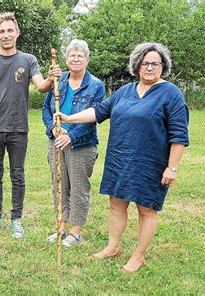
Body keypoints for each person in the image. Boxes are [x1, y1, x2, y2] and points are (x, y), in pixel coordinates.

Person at [55, 42, 189, 272]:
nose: (149, 68)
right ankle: (113, 247)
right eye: (145, 63)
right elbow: (99, 111)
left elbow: (179, 134)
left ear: (163, 66)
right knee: (116, 204)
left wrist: (172, 167)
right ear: (137, 66)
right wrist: (69, 118)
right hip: (120, 159)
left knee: (146, 209)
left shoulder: (171, 94)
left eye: (155, 64)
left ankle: (138, 256)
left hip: (150, 163)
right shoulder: (125, 91)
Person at [0, 12, 54, 238]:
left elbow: (42, 86)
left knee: (18, 175)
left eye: (10, 30)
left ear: (17, 33)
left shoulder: (28, 60)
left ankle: (16, 219)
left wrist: (51, 77)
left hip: (18, 128)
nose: (6, 35)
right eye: (1, 31)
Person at [42, 39, 105, 247]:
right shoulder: (58, 81)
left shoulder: (95, 85)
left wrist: (71, 136)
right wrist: (52, 129)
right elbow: (46, 110)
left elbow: (94, 116)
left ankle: (75, 232)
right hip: (55, 141)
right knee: (59, 185)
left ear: (86, 59)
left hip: (81, 144)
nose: (76, 59)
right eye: (72, 55)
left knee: (78, 187)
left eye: (80, 55)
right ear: (66, 59)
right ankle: (61, 227)